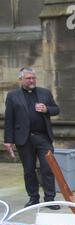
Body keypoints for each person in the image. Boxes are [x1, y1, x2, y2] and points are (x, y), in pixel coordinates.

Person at [3, 67, 60, 209]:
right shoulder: (12, 95)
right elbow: (9, 119)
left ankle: (50, 199)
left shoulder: (45, 93)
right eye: (28, 78)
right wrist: (8, 140)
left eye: (33, 77)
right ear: (21, 79)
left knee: (48, 167)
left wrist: (47, 109)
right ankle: (33, 198)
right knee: (29, 170)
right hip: (24, 139)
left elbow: (56, 109)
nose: (32, 80)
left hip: (43, 137)